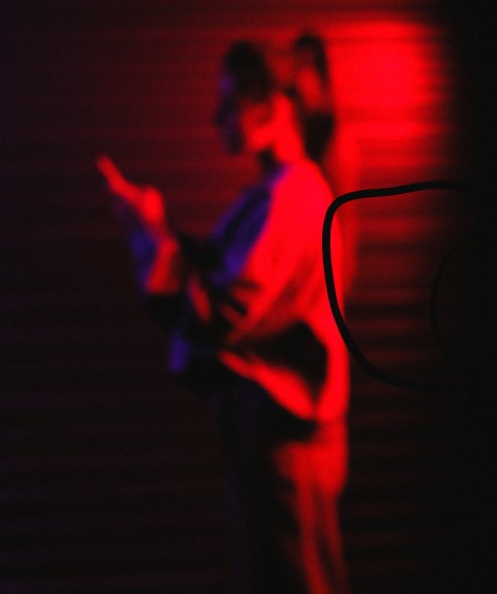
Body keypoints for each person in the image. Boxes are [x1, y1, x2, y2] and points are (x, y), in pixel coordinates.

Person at [97, 40, 351, 594]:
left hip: (288, 442)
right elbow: (217, 269)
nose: (216, 117)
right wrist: (155, 231)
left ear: (277, 108)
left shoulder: (293, 197)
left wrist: (155, 248)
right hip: (271, 433)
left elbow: (220, 315)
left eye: (229, 101)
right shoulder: (274, 194)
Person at [282, 31, 359, 299]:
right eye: (296, 64)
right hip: (294, 253)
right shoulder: (293, 130)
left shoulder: (334, 135)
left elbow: (346, 209)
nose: (299, 75)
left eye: (306, 65)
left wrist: (343, 272)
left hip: (322, 253)